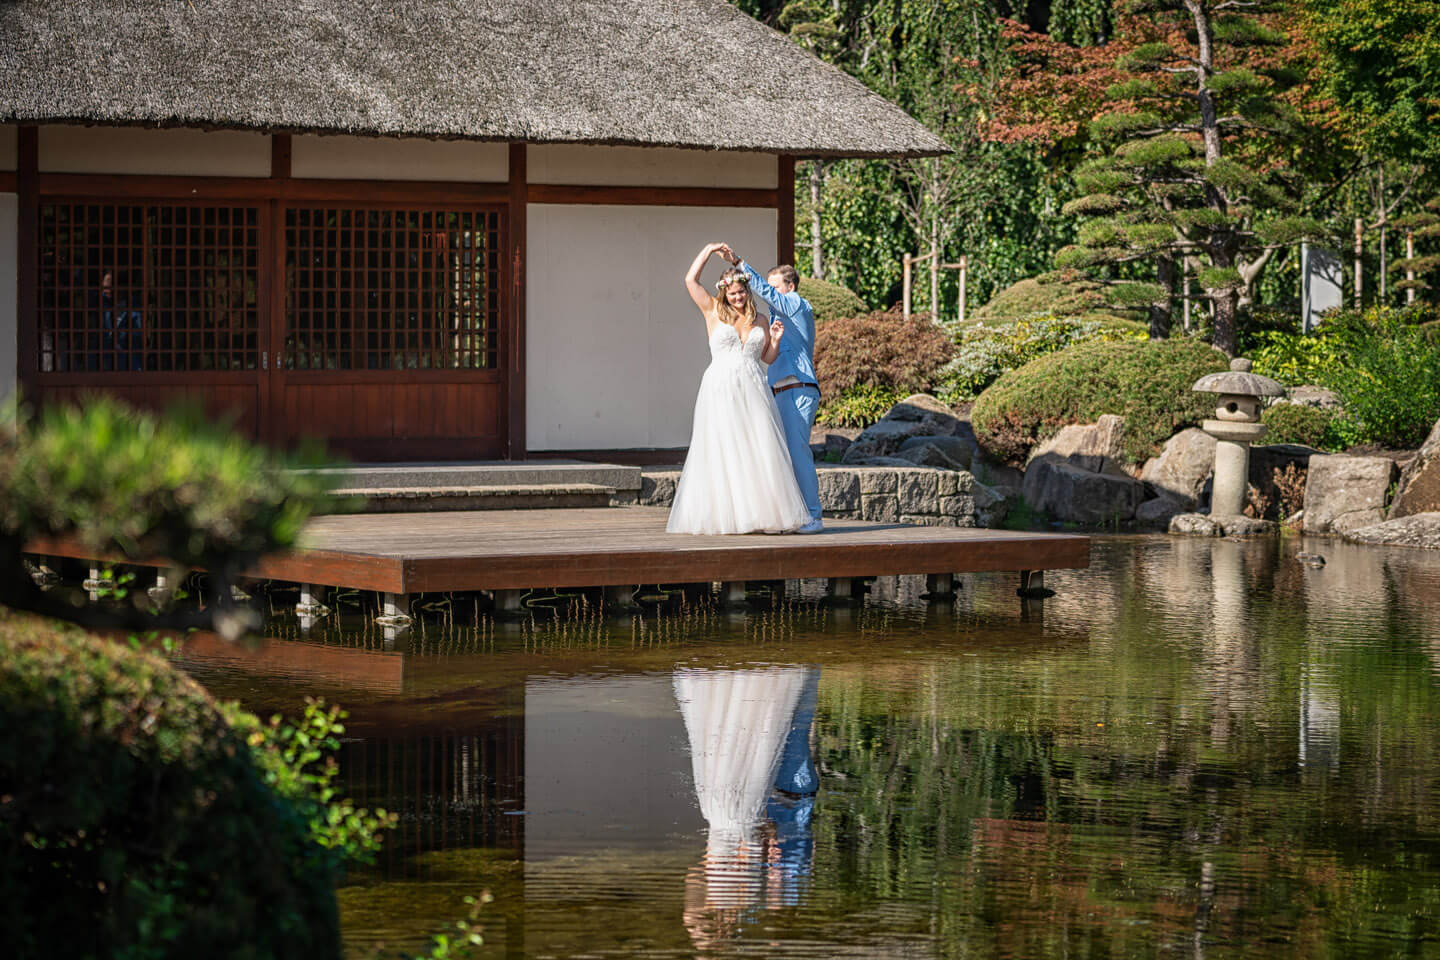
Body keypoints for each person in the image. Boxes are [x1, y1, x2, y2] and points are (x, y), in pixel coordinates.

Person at [666, 242, 811, 535]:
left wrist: (776, 339)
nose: (737, 297)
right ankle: (727, 516)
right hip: (721, 386)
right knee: (724, 447)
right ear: (724, 293)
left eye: (741, 292)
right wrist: (707, 250)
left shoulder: (760, 318)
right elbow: (690, 281)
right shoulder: (713, 311)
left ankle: (760, 515)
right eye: (732, 293)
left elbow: (767, 358)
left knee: (757, 447)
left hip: (754, 386)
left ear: (747, 291)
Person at [718, 244, 823, 533]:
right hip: (777, 391)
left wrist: (739, 263)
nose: (770, 293)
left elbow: (766, 292)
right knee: (777, 453)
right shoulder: (776, 318)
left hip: (798, 388)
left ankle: (814, 515)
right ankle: (789, 514)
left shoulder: (798, 304)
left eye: (776, 286)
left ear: (790, 286)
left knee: (797, 451)